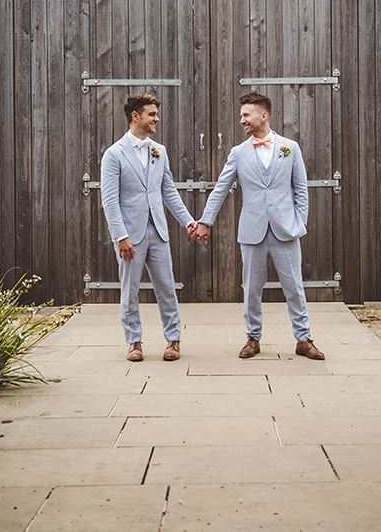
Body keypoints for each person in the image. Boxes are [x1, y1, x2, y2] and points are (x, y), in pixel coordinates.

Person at [191, 91, 325, 360]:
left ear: (263, 115)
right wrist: (206, 221)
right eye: (241, 115)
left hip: (286, 230)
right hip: (252, 231)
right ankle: (253, 338)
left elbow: (301, 189)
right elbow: (220, 189)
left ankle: (303, 339)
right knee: (251, 288)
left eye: (245, 115)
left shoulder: (291, 147)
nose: (242, 120)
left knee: (294, 287)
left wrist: (299, 222)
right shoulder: (238, 153)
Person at [100, 93, 197, 362]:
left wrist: (188, 221)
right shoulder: (113, 154)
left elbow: (169, 191)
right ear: (136, 116)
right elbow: (109, 200)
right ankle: (134, 342)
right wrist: (121, 236)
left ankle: (173, 340)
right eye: (152, 114)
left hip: (159, 231)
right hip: (130, 235)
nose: (157, 118)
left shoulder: (159, 151)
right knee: (129, 290)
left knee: (166, 287)